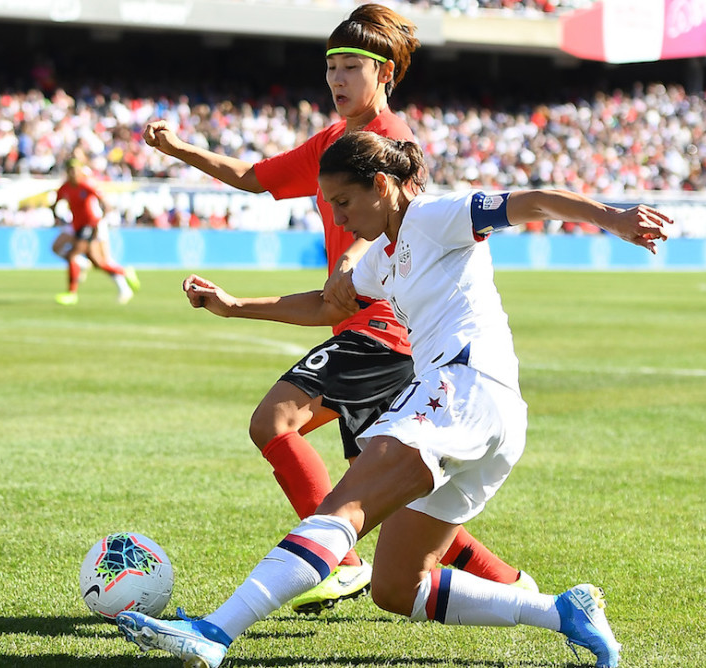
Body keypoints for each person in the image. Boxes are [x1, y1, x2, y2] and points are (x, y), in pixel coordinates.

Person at [118, 132, 672, 668]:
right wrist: (234, 307)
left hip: (462, 387)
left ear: (382, 184)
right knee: (396, 586)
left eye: (343, 202)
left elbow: (533, 200)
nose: (338, 220)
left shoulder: (436, 216)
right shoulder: (384, 257)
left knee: (343, 508)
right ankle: (560, 612)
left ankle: (214, 632)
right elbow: (328, 306)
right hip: (491, 413)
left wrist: (615, 218)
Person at [140, 3, 529, 613]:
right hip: (367, 329)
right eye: (330, 68)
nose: (337, 80)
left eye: (351, 67)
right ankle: (513, 586)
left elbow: (401, 227)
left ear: (385, 76)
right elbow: (254, 176)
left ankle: (342, 566)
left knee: (274, 422)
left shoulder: (393, 145)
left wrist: (350, 259)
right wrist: (182, 149)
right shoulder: (330, 142)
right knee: (397, 499)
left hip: (386, 330)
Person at [51, 158, 139, 305]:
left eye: (75, 170)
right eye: (70, 170)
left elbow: (105, 202)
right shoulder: (65, 187)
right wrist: (56, 215)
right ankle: (123, 272)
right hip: (76, 225)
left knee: (73, 255)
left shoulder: (86, 185)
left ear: (80, 171)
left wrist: (99, 220)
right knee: (97, 262)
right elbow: (56, 202)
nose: (73, 173)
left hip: (90, 225)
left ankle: (71, 293)